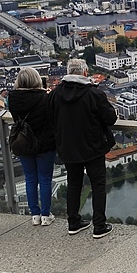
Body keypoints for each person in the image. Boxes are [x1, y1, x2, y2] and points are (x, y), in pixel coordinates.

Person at [49, 58, 118, 238]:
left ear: (68, 73)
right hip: (93, 147)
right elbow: (110, 118)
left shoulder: (55, 94)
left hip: (68, 147)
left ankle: (73, 223)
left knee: (74, 185)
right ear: (85, 73)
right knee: (98, 185)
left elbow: (50, 119)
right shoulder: (94, 94)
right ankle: (99, 226)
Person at [5, 67, 57, 225]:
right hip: (44, 144)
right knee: (45, 179)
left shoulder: (11, 99)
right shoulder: (45, 98)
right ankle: (45, 215)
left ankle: (35, 215)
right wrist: (47, 94)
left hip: (24, 142)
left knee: (30, 179)